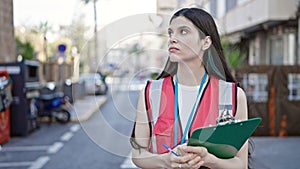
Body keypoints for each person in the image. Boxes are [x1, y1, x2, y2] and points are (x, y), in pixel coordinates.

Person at [130, 7, 248, 169]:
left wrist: (208, 160)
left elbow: (241, 164)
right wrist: (166, 160)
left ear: (206, 42)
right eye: (171, 32)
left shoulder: (233, 95)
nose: (172, 38)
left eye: (183, 32)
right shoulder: (151, 92)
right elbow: (138, 155)